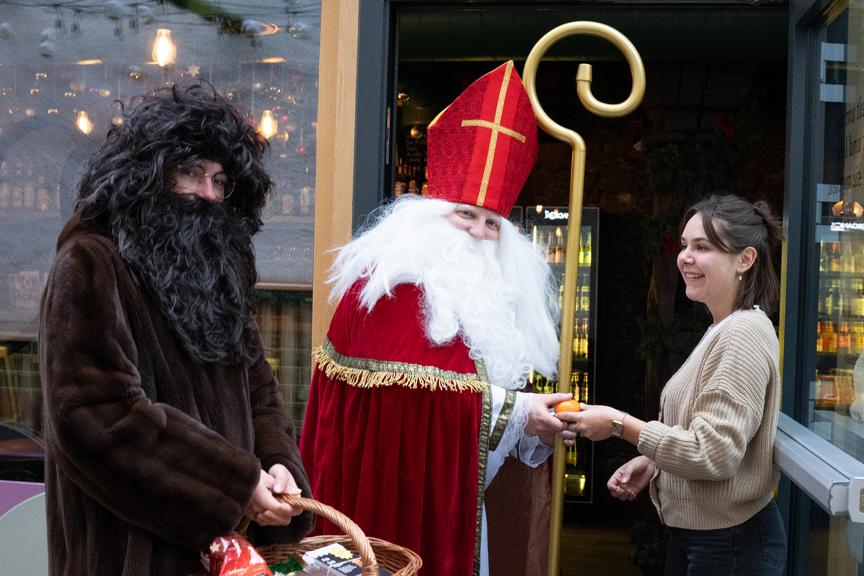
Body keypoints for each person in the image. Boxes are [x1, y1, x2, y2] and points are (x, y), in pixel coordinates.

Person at [299, 61, 570, 576]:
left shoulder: (485, 296)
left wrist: (527, 417)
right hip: (384, 508)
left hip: (455, 509)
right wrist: (518, 412)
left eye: (491, 223)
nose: (476, 233)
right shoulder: (390, 284)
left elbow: (465, 403)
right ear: (429, 212)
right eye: (464, 214)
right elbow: (409, 405)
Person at [38, 83, 314, 576]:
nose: (209, 195)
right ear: (149, 174)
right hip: (127, 554)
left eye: (220, 180)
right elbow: (98, 417)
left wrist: (278, 467)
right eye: (191, 173)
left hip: (232, 553)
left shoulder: (214, 267)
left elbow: (259, 390)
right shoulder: (90, 261)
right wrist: (233, 485)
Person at [557, 194, 786, 575]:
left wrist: (618, 424)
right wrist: (655, 462)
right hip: (710, 539)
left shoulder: (742, 333)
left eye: (702, 247)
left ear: (745, 259)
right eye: (684, 246)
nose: (685, 257)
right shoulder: (723, 328)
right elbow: (705, 433)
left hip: (730, 546)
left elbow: (714, 454)